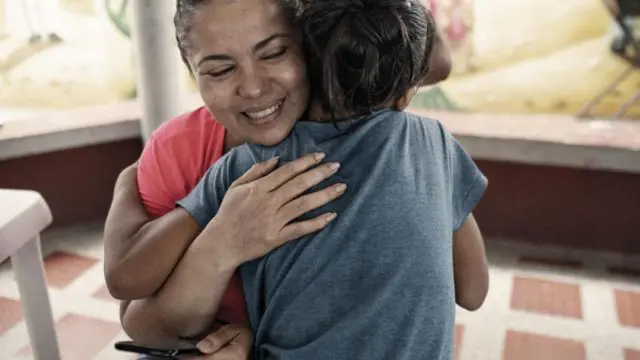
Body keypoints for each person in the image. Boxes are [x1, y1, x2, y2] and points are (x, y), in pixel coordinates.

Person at [103, 0, 458, 357]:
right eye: (221, 69)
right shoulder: (181, 152)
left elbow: (434, 57)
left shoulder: (368, 130)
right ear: (192, 72)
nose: (253, 88)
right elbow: (138, 321)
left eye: (274, 52)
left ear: (312, 43)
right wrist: (221, 240)